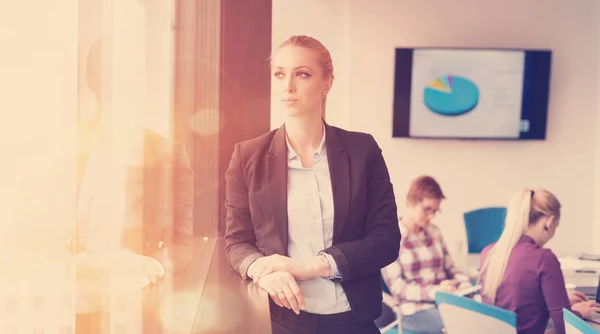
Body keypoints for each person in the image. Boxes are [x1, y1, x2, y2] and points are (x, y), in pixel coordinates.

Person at [224, 35, 401, 334]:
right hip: (284, 322)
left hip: (354, 320)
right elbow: (236, 242)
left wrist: (305, 267)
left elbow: (386, 241)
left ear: (327, 83)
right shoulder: (247, 156)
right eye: (280, 74)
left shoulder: (362, 151)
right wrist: (260, 271)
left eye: (302, 74)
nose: (287, 86)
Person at [72, 35, 195, 301]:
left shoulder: (168, 154)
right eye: (116, 70)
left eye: (136, 72)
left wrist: (149, 267)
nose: (128, 82)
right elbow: (41, 240)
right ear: (92, 79)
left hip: (134, 296)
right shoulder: (66, 150)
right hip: (67, 298)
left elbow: (182, 244)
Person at [479, 189, 600, 334]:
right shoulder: (544, 258)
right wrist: (578, 313)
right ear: (549, 222)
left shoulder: (489, 253)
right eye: (557, 225)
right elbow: (564, 328)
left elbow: (517, 304)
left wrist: (557, 300)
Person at [381, 175, 471, 334]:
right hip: (414, 310)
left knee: (481, 314)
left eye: (435, 211)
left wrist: (464, 284)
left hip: (445, 301)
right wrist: (435, 292)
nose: (432, 216)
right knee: (461, 325)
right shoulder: (391, 238)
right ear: (411, 203)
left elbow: (451, 268)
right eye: (427, 209)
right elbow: (399, 288)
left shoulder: (434, 232)